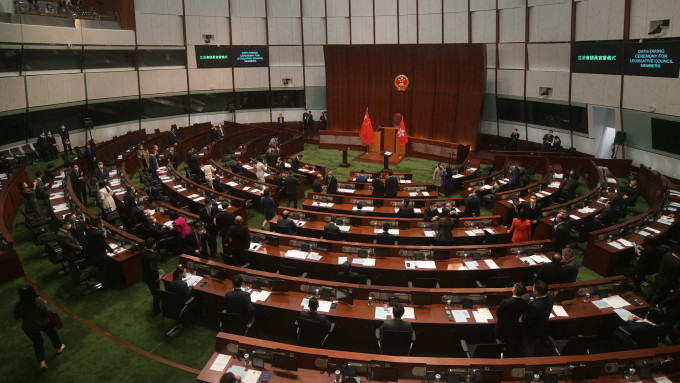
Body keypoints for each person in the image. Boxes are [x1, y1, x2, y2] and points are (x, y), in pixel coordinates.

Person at [13, 285, 65, 370]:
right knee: (52, 334)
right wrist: (45, 304)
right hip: (44, 323)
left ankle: (42, 362)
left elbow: (16, 317)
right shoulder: (39, 302)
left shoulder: (18, 306)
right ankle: (58, 347)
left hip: (28, 327)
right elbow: (48, 312)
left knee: (37, 343)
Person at [495, 282, 527, 357]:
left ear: (514, 290)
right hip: (514, 326)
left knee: (500, 343)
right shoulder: (525, 303)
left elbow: (498, 314)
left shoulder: (506, 302)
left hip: (502, 327)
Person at [522, 280, 553, 356]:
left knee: (528, 346)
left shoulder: (535, 306)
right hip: (543, 326)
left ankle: (529, 362)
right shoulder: (550, 297)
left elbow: (526, 319)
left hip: (532, 330)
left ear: (536, 292)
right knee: (537, 343)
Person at [85, 218, 114, 289]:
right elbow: (104, 244)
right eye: (101, 223)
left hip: (93, 253)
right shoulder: (98, 234)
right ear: (98, 224)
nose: (102, 224)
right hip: (100, 255)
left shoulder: (88, 230)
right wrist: (112, 251)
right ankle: (106, 286)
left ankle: (105, 284)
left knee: (101, 271)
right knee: (104, 271)